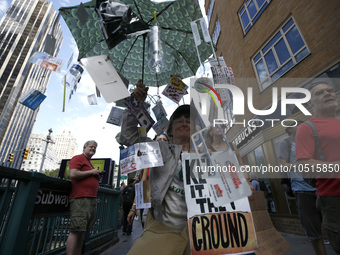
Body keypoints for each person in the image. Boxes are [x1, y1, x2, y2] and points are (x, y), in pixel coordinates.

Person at [295, 80, 340, 254]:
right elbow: (304, 166)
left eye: (330, 90)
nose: (328, 94)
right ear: (310, 103)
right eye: (320, 93)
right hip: (334, 197)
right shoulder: (307, 128)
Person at [279, 121, 327, 254]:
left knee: (334, 226)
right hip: (302, 190)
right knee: (314, 234)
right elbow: (283, 165)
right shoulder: (286, 143)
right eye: (297, 124)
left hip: (322, 187)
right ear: (289, 130)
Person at [66, 140, 100, 255]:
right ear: (84, 147)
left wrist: (95, 175)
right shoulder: (78, 158)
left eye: (95, 147)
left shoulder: (89, 162)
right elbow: (73, 174)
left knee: (81, 231)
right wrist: (91, 172)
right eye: (91, 147)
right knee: (76, 230)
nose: (93, 149)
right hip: (80, 198)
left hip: (90, 199)